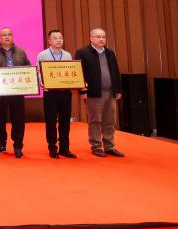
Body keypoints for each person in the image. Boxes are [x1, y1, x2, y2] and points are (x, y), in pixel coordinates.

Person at [75, 28, 125, 158]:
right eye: (98, 37)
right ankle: (96, 146)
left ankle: (109, 146)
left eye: (103, 37)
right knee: (95, 121)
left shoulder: (110, 53)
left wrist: (118, 89)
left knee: (110, 121)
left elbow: (116, 72)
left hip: (110, 92)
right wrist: (82, 90)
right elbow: (78, 73)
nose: (101, 39)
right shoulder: (82, 53)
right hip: (93, 93)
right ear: (91, 38)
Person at [0, 27, 31, 158]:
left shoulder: (21, 52)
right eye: (4, 35)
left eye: (9, 34)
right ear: (0, 37)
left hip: (17, 93)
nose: (7, 37)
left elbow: (28, 69)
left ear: (12, 36)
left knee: (18, 120)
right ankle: (1, 144)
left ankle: (18, 145)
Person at [36, 30, 77, 159]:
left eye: (60, 38)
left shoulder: (67, 55)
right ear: (49, 41)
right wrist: (42, 82)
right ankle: (52, 148)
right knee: (51, 121)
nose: (58, 40)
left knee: (65, 122)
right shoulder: (42, 55)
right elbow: (38, 72)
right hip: (50, 93)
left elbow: (71, 72)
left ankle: (64, 148)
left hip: (65, 93)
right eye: (55, 38)